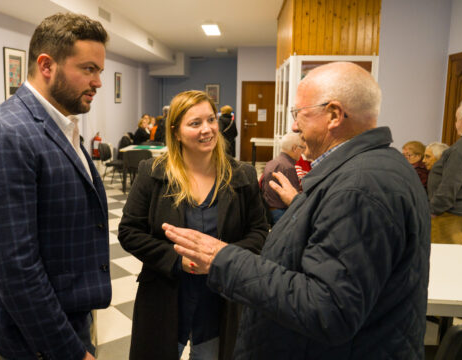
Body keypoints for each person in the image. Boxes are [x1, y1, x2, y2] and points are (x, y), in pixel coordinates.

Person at [163, 62, 431, 359]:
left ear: (333, 115)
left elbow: (328, 309)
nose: (293, 126)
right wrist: (304, 206)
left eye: (299, 113)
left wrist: (223, 259)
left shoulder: (359, 187)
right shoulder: (370, 170)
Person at [0, 13, 111, 360]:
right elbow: (15, 269)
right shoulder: (4, 134)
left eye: (100, 71)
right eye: (89, 69)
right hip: (31, 340)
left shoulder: (62, 126)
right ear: (47, 65)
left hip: (68, 317)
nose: (98, 82)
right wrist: (69, 351)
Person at [118, 90, 268, 359]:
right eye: (195, 123)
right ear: (176, 132)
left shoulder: (241, 176)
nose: (208, 129)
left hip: (221, 298)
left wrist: (221, 256)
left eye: (211, 120)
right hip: (166, 295)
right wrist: (177, 260)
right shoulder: (153, 173)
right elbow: (129, 232)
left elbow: (259, 233)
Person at [428, 101, 462, 245]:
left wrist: (431, 210)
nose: (455, 124)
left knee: (445, 264)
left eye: (456, 119)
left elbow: (450, 187)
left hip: (452, 220)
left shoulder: (460, 148)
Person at [261, 132, 305, 224]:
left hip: (268, 209)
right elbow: (293, 197)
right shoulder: (289, 167)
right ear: (294, 148)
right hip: (281, 212)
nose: (303, 152)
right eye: (302, 148)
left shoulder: (272, 162)